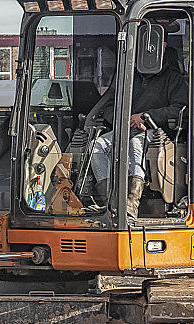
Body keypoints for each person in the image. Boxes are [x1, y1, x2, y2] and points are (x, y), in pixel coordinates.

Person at [90, 28, 187, 218]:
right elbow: (109, 105)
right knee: (97, 146)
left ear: (162, 47)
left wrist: (146, 116)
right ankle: (112, 200)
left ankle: (131, 203)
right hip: (125, 128)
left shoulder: (173, 78)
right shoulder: (127, 76)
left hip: (159, 133)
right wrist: (123, 119)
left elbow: (181, 108)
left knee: (136, 146)